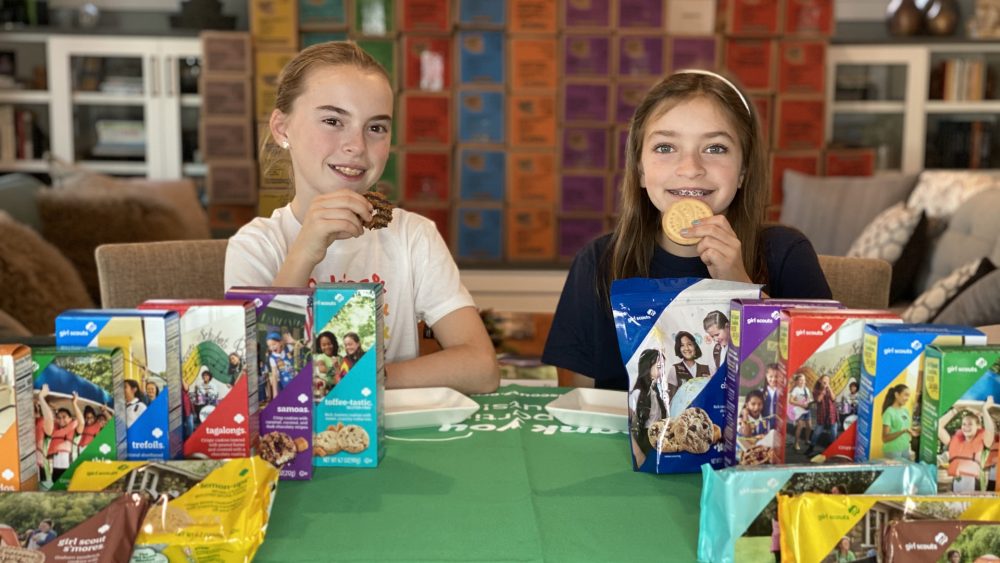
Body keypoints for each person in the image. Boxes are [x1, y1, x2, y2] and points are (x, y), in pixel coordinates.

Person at [223, 41, 497, 395]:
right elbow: (251, 382)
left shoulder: (412, 236)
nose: (356, 145)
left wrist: (355, 380)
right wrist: (303, 253)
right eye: (333, 120)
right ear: (282, 128)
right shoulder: (256, 245)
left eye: (376, 128)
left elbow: (482, 368)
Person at [542, 70, 831, 390]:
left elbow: (821, 386)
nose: (691, 168)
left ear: (743, 171)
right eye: (665, 147)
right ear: (639, 169)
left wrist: (741, 287)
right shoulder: (599, 261)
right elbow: (577, 395)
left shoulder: (786, 253)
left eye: (715, 148)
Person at [940, 397, 996, 492]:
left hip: (974, 482)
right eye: (964, 424)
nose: (966, 427)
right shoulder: (955, 440)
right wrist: (955, 410)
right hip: (956, 481)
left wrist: (985, 410)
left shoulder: (984, 441)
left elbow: (990, 430)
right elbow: (938, 426)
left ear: (978, 427)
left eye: (970, 424)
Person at [629, 348, 668, 463]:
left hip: (659, 438)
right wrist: (638, 453)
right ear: (647, 367)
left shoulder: (658, 391)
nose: (663, 372)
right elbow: (629, 427)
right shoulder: (637, 394)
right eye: (659, 367)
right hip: (645, 440)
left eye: (663, 367)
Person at [38, 386, 84, 482]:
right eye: (59, 417)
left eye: (64, 417)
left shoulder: (75, 431)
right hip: (55, 469)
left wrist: (74, 403)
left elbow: (82, 422)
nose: (61, 419)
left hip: (69, 468)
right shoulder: (52, 430)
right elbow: (49, 418)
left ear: (70, 419)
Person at [664, 331, 710, 398]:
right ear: (679, 348)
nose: (686, 348)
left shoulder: (708, 369)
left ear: (695, 346)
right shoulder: (674, 369)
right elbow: (671, 399)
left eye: (689, 344)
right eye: (682, 345)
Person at [881, 383, 920, 461]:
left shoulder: (905, 410)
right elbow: (885, 438)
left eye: (908, 396)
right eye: (905, 395)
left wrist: (914, 430)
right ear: (896, 395)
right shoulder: (889, 412)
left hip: (905, 449)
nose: (907, 398)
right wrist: (903, 431)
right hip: (893, 451)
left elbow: (906, 428)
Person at [806, 374, 839, 456]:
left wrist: (829, 388)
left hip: (832, 413)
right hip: (822, 413)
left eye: (828, 380)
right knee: (817, 432)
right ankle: (811, 447)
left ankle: (832, 448)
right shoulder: (816, 390)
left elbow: (833, 398)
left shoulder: (830, 388)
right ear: (820, 381)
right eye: (824, 380)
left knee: (834, 432)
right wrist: (823, 391)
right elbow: (818, 400)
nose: (826, 382)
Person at [788, 371, 813, 452]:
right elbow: (791, 401)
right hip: (799, 411)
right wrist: (801, 404)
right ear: (797, 381)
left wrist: (809, 401)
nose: (802, 381)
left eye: (803, 380)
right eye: (800, 380)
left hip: (807, 410)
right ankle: (796, 443)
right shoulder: (796, 389)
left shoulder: (806, 389)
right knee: (800, 427)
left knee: (809, 426)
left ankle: (806, 440)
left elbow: (808, 398)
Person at [762, 363, 782, 431]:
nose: (773, 379)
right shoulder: (761, 392)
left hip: (778, 424)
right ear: (766, 376)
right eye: (771, 376)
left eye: (776, 376)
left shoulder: (782, 393)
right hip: (764, 424)